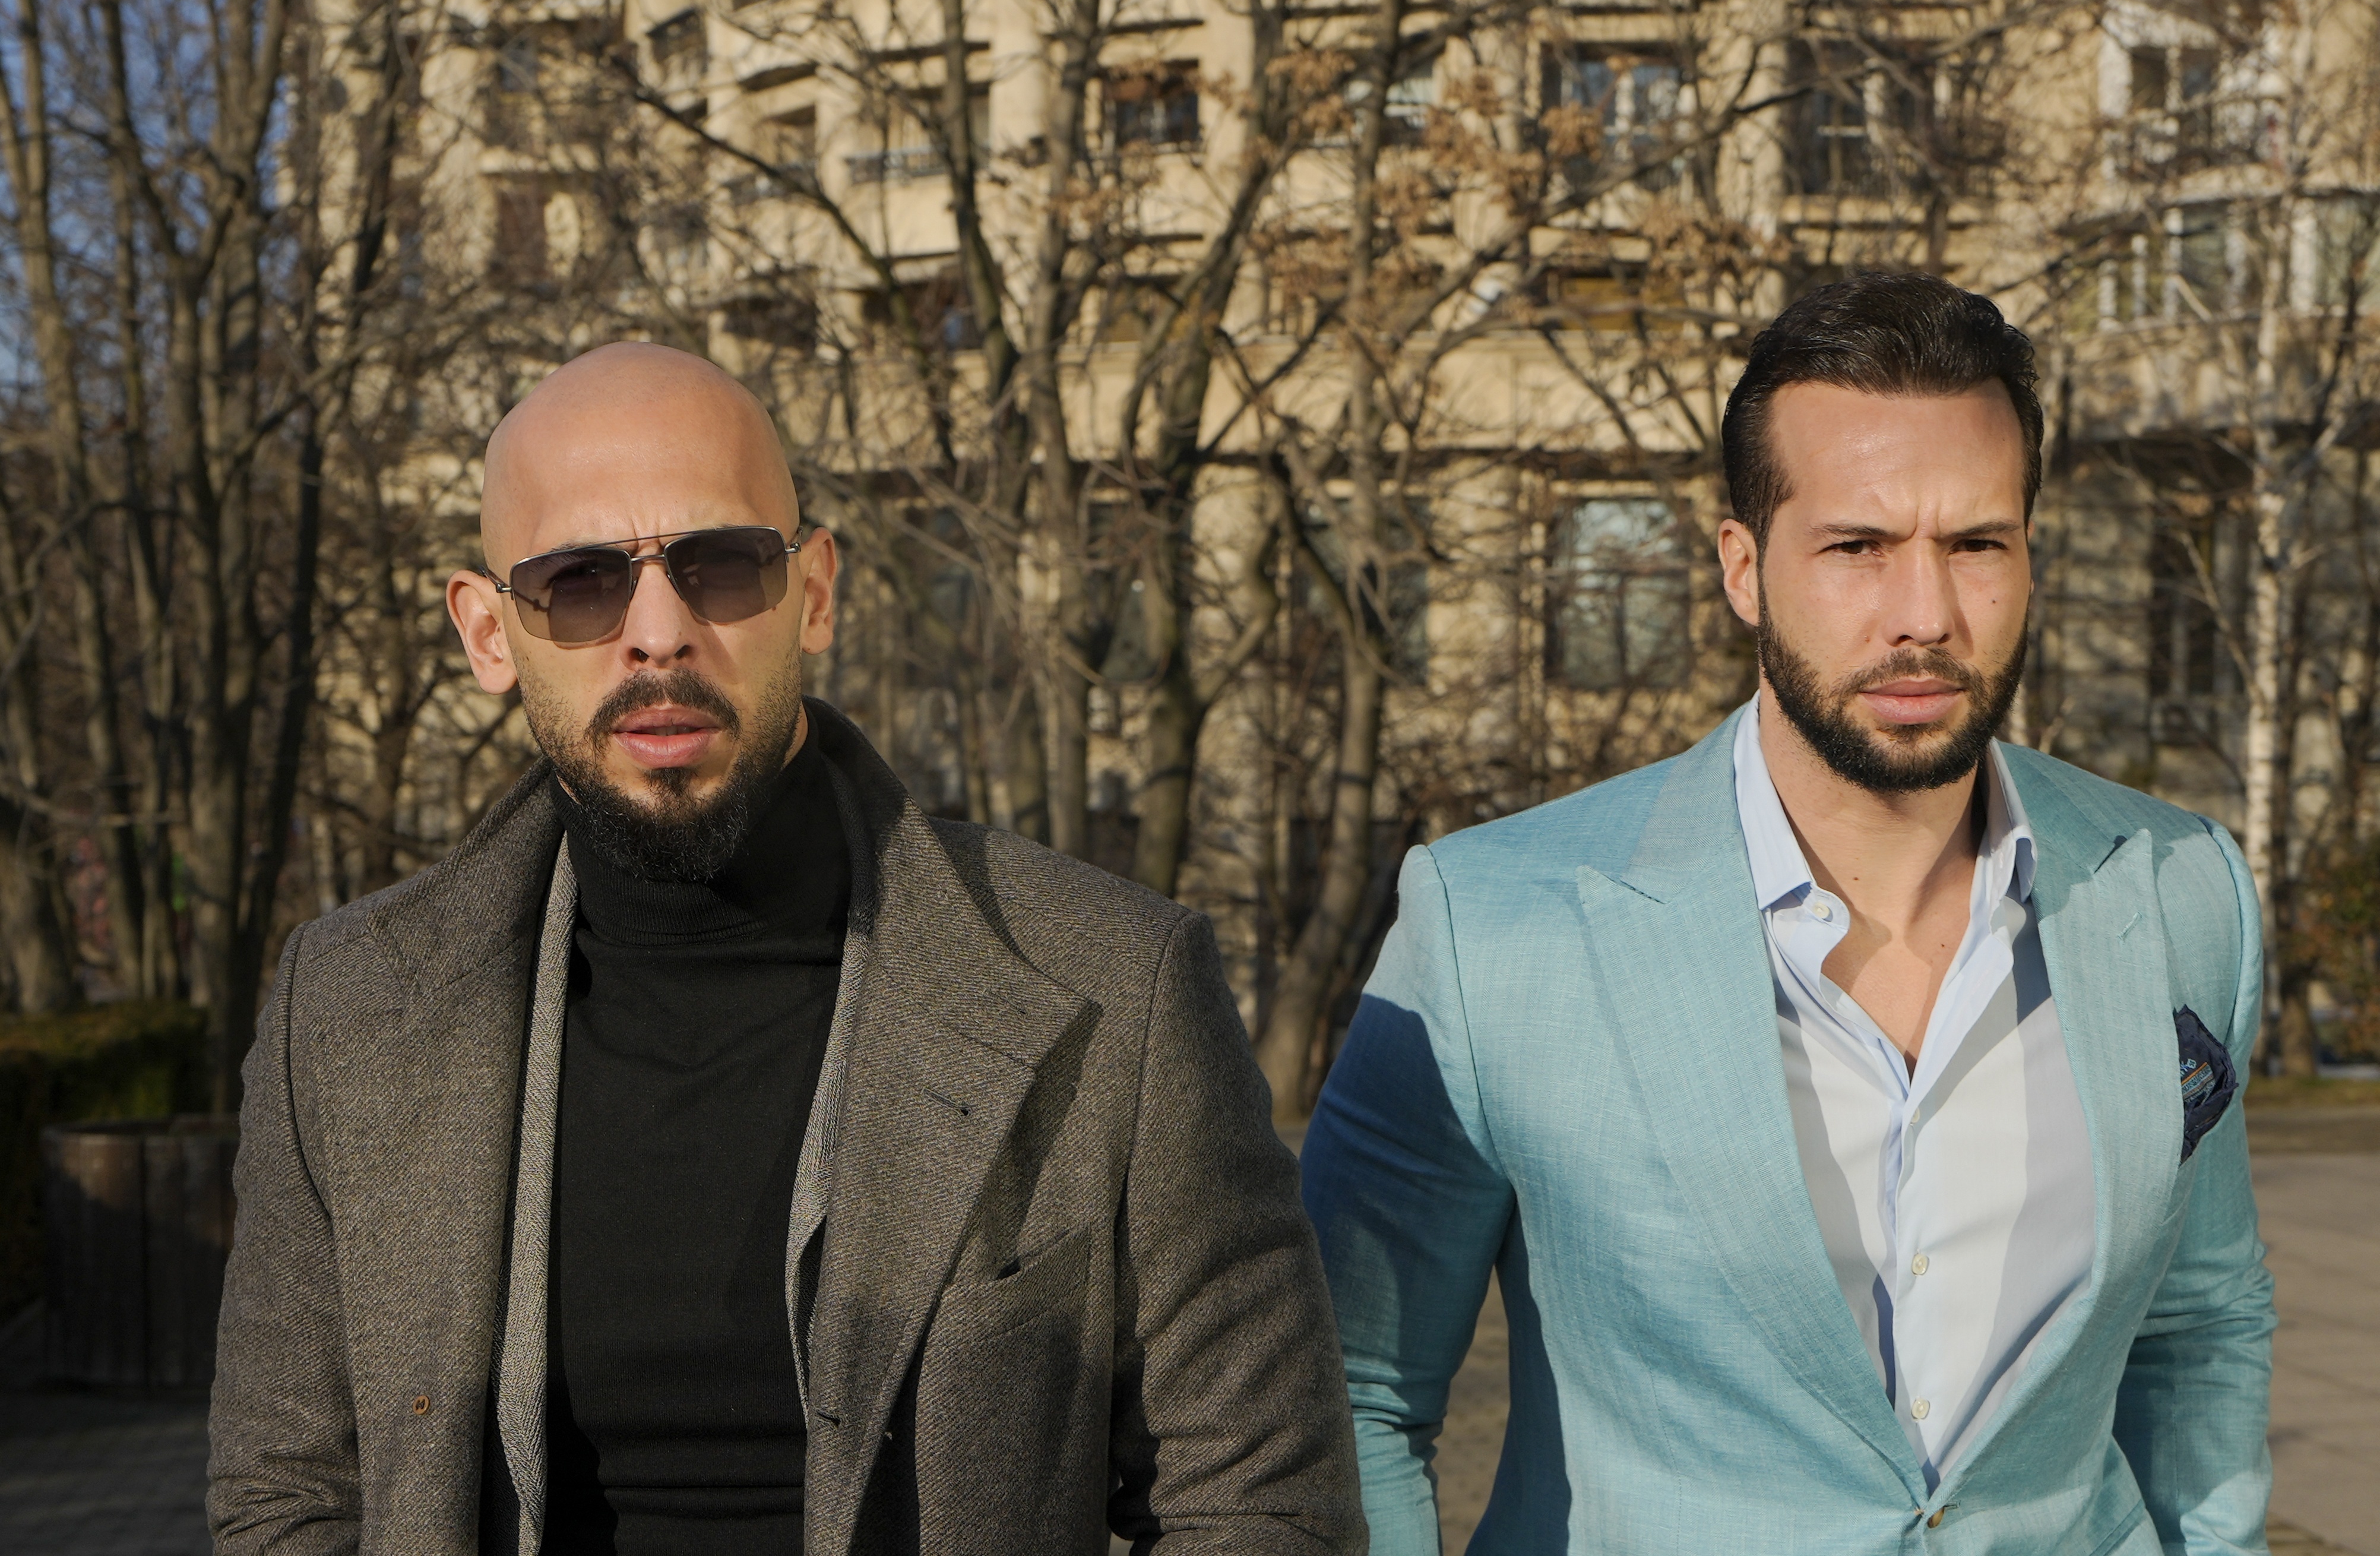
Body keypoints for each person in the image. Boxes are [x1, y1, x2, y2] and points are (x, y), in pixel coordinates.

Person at [207, 343, 1362, 1554]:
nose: (659, 634)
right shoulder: (343, 1011)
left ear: (813, 591)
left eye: (719, 566)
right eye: (584, 581)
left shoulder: (1116, 986)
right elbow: (287, 1498)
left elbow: (1264, 1506)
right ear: (491, 632)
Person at [1302, 273, 2272, 1554]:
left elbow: (2200, 1329)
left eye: (1976, 544)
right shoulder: (1492, 928)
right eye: (1859, 548)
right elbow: (1348, 1394)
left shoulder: (2179, 884)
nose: (1925, 616)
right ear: (1744, 569)